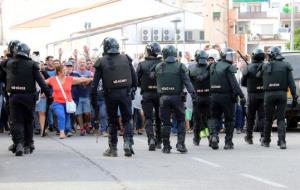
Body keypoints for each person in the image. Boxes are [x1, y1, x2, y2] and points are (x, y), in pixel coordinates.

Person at [2, 43, 53, 156]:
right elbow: (41, 81)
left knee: (16, 121)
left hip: (14, 96)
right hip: (28, 97)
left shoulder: (7, 63)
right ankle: (28, 145)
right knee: (28, 121)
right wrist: (49, 94)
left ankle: (19, 143)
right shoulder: (32, 64)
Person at [91, 37, 137, 157]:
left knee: (112, 121)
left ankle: (113, 148)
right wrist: (133, 90)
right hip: (125, 93)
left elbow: (94, 84)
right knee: (127, 119)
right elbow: (134, 78)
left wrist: (94, 101)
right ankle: (127, 143)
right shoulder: (126, 58)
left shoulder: (101, 61)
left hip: (110, 94)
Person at [153, 45, 197, 154]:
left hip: (163, 98)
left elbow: (154, 78)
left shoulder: (159, 66)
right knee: (181, 120)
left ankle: (166, 146)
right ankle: (180, 144)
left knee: (165, 123)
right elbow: (187, 82)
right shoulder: (180, 66)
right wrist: (193, 95)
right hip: (177, 97)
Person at [257, 47, 298, 149]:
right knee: (280, 119)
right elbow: (291, 83)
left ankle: (266, 141)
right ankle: (282, 141)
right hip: (281, 94)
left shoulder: (265, 66)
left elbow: (258, 76)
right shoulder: (286, 65)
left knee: (268, 119)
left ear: (271, 55)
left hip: (268, 95)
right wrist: (294, 97)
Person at [209, 48, 246, 150]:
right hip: (227, 97)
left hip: (213, 96)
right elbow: (234, 84)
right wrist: (241, 96)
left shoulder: (213, 65)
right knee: (229, 119)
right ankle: (228, 142)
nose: (233, 57)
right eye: (231, 55)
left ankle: (214, 135)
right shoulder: (229, 67)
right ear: (226, 56)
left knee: (214, 118)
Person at [45, 65, 93, 139]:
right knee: (61, 115)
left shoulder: (69, 79)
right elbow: (42, 82)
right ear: (59, 72)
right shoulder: (52, 79)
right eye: (64, 70)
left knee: (67, 117)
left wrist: (91, 79)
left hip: (68, 102)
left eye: (66, 70)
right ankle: (62, 132)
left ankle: (68, 130)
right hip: (57, 102)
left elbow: (80, 79)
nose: (66, 71)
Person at [136, 42, 162, 151]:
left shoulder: (141, 64)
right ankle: (159, 140)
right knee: (160, 117)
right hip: (160, 93)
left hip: (147, 93)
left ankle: (151, 138)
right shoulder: (162, 64)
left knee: (148, 117)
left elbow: (136, 81)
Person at [241, 49, 265, 144]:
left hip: (252, 95)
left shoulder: (248, 68)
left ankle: (249, 137)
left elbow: (243, 82)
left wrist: (251, 85)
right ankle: (263, 136)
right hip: (263, 94)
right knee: (263, 117)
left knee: (250, 117)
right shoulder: (266, 66)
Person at [188, 50, 210, 146]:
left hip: (198, 96)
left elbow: (188, 82)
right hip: (207, 96)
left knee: (198, 119)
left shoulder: (191, 68)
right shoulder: (210, 68)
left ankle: (197, 138)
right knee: (208, 118)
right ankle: (209, 137)